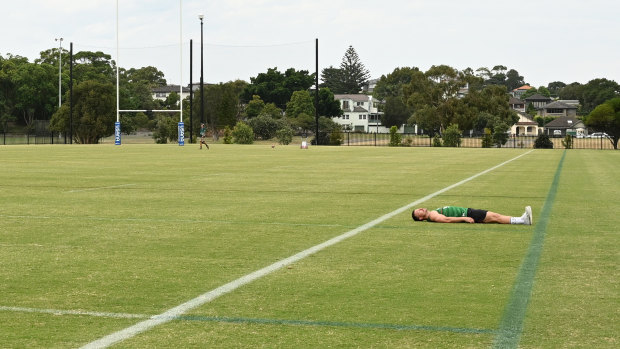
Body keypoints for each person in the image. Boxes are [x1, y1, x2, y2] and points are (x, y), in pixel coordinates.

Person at [412, 205, 532, 225]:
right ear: (421, 218)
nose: (421, 209)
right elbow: (446, 219)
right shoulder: (432, 215)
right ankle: (522, 220)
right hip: (468, 213)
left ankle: (521, 219)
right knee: (496, 217)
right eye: (419, 211)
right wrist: (464, 218)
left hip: (468, 212)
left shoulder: (432, 212)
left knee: (495, 217)